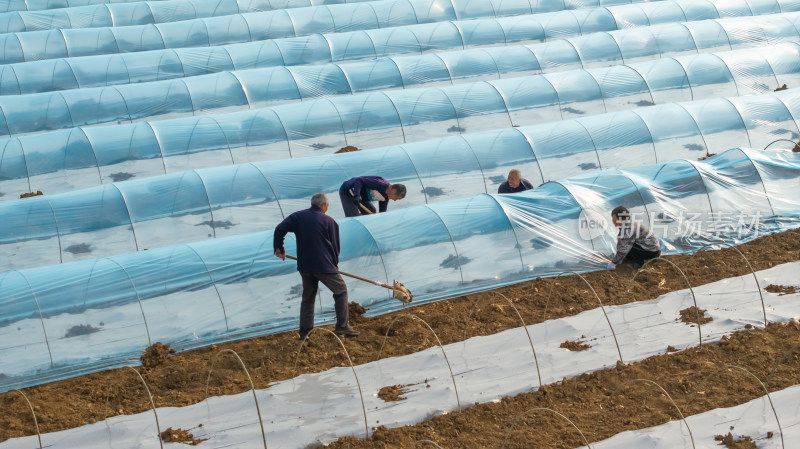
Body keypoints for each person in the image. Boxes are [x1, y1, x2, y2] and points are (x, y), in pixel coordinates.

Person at [274, 193, 359, 339]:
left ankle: (305, 332)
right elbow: (335, 247)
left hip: (305, 266)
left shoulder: (298, 217)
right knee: (341, 291)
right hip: (324, 265)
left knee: (308, 296)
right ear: (324, 205)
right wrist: (334, 266)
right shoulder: (329, 221)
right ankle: (342, 326)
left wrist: (279, 248)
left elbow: (280, 229)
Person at [607, 206, 661, 270]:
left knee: (626, 247)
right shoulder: (628, 223)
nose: (613, 221)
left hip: (651, 252)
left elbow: (623, 248)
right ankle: (634, 258)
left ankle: (639, 263)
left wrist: (614, 263)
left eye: (614, 219)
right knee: (625, 247)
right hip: (650, 249)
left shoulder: (628, 228)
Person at [339, 176, 406, 217]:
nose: (394, 200)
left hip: (359, 197)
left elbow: (382, 213)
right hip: (348, 191)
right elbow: (360, 180)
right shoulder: (380, 184)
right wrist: (357, 195)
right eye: (396, 198)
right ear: (393, 190)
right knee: (353, 217)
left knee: (372, 211)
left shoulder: (385, 197)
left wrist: (382, 219)